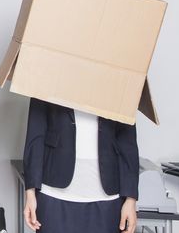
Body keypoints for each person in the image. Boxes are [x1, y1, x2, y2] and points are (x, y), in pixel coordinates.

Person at [23, 98, 139, 233]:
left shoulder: (124, 78)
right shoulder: (46, 77)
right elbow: (36, 132)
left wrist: (131, 199)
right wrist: (30, 192)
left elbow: (127, 141)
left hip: (106, 196)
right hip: (55, 193)